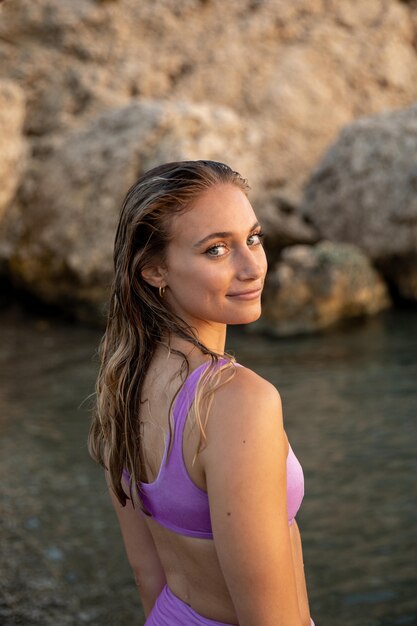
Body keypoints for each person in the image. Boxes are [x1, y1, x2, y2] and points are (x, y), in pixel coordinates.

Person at [88, 160, 315, 626]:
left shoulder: (123, 383)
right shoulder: (238, 402)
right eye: (216, 249)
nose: (253, 267)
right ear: (154, 270)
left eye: (253, 238)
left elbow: (146, 572)